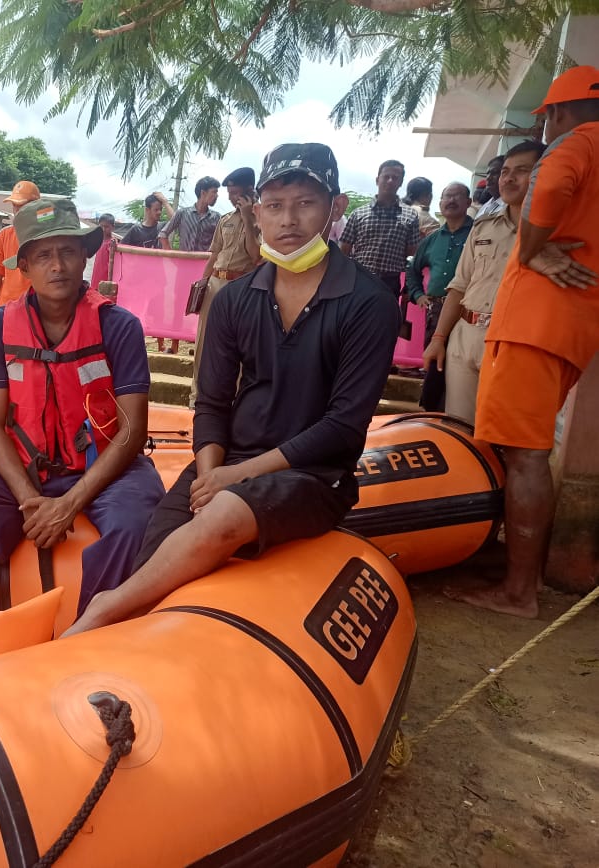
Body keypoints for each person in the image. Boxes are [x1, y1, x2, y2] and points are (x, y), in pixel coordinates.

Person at [64, 143, 400, 636]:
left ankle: (99, 613)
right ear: (256, 211)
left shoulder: (368, 302)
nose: (289, 220)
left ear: (334, 207)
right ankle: (111, 649)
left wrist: (231, 482)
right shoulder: (235, 299)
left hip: (313, 475)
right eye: (275, 205)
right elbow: (213, 400)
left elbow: (345, 423)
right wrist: (208, 475)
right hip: (228, 461)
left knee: (222, 516)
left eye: (306, 203)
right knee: (152, 554)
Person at [0, 197, 166, 616]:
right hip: (29, 470)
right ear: (23, 267)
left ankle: (91, 638)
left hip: (108, 470)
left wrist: (69, 503)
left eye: (67, 252)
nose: (56, 266)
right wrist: (29, 500)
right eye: (43, 256)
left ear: (84, 257)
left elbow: (131, 431)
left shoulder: (119, 326)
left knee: (135, 525)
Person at [446, 66, 599, 619]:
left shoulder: (575, 145)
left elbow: (552, 183)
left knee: (527, 457)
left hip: (533, 324)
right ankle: (513, 574)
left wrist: (532, 249)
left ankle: (519, 592)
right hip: (570, 327)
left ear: (556, 114)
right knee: (525, 449)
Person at [422, 142, 544, 424]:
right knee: (458, 429)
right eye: (505, 172)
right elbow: (459, 285)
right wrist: (439, 339)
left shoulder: (554, 232)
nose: (508, 179)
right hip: (465, 337)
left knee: (499, 433)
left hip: (513, 343)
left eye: (522, 171)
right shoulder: (483, 226)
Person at [188, 167, 262, 406]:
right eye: (229, 193)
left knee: (238, 344)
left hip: (242, 287)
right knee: (203, 341)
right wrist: (202, 284)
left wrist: (249, 218)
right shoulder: (225, 220)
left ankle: (234, 400)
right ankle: (196, 396)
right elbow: (214, 255)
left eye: (235, 193)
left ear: (250, 191)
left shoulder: (263, 219)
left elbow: (256, 256)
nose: (231, 198)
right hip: (215, 285)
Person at [405, 182, 473, 411]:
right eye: (446, 197)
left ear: (469, 203)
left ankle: (454, 418)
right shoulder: (432, 240)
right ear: (440, 203)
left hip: (468, 312)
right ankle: (430, 415)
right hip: (436, 312)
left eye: (457, 196)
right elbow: (412, 270)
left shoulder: (478, 234)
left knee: (461, 366)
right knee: (434, 366)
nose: (451, 201)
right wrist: (417, 295)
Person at [340, 159, 421, 294]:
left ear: (400, 183)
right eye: (386, 177)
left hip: (390, 283)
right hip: (359, 280)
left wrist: (409, 285)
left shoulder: (410, 216)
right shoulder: (358, 214)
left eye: (395, 178)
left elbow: (411, 255)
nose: (390, 181)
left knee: (386, 315)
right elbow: (344, 250)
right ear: (377, 180)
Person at [123, 193, 177, 353]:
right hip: (140, 281)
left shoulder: (162, 228)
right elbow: (123, 250)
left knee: (158, 311)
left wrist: (166, 202)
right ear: (147, 210)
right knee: (139, 312)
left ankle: (161, 345)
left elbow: (176, 220)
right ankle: (137, 342)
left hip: (159, 279)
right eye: (156, 209)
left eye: (160, 210)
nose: (159, 212)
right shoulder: (135, 230)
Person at [0, 180, 42, 309]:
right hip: (6, 307)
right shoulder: (4, 235)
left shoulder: (46, 235)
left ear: (36, 206)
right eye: (14, 205)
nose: (17, 210)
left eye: (21, 205)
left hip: (36, 308)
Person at [160, 176, 221, 252]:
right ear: (203, 193)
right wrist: (170, 257)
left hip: (205, 263)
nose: (217, 195)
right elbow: (163, 234)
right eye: (214, 192)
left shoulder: (217, 218)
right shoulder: (182, 213)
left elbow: (221, 243)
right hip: (184, 262)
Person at [89, 214, 116, 291]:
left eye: (106, 227)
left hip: (106, 280)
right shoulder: (98, 241)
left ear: (113, 227)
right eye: (101, 226)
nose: (103, 229)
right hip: (96, 277)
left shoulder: (113, 243)